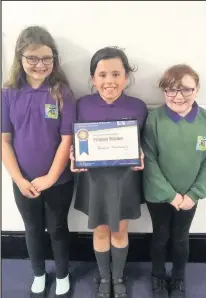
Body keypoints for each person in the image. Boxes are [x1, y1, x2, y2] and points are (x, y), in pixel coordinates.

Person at [2, 26, 75, 298]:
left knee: (57, 228)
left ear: (54, 58)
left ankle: (64, 274)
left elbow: (67, 139)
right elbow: (4, 141)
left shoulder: (62, 93)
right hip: (23, 180)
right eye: (32, 58)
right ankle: (38, 273)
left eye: (46, 58)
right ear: (20, 57)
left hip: (59, 180)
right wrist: (19, 179)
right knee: (31, 228)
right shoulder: (8, 93)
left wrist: (51, 177)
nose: (40, 64)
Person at [70, 47, 148, 298]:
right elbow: (75, 140)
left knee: (120, 230)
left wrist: (141, 154)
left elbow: (143, 143)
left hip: (124, 180)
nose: (109, 81)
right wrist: (75, 155)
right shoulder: (81, 105)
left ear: (126, 77)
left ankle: (119, 276)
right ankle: (104, 276)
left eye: (116, 74)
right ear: (93, 79)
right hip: (94, 180)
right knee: (100, 230)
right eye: (102, 75)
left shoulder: (139, 107)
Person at [142, 64, 206, 298]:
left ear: (197, 89)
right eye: (171, 90)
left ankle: (178, 278)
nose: (178, 97)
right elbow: (148, 159)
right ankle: (158, 277)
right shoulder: (154, 120)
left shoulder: (205, 120)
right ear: (164, 92)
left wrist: (195, 193)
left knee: (181, 238)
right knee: (160, 236)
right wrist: (170, 195)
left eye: (186, 90)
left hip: (190, 196)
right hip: (159, 195)